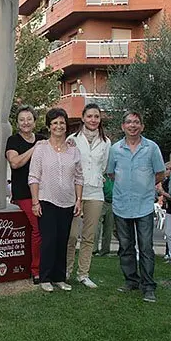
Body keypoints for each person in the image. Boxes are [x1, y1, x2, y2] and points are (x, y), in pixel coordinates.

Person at [106, 110, 165, 303]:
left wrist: (144, 186)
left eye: (136, 122)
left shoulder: (152, 148)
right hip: (122, 204)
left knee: (146, 247)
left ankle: (148, 287)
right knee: (125, 246)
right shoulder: (115, 149)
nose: (133, 125)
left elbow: (159, 173)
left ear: (142, 126)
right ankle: (131, 280)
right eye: (129, 122)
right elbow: (111, 174)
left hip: (144, 206)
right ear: (123, 126)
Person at [28, 108, 83, 293]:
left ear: (66, 126)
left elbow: (79, 178)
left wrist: (79, 200)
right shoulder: (41, 148)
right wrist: (35, 202)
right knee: (49, 240)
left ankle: (60, 277)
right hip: (46, 200)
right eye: (54, 123)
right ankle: (45, 277)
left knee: (63, 240)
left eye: (61, 122)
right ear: (49, 126)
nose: (58, 126)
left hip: (68, 201)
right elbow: (34, 177)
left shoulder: (74, 151)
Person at [65, 103, 110, 289]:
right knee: (71, 235)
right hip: (74, 192)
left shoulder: (106, 142)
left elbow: (104, 166)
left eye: (96, 117)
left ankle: (83, 274)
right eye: (89, 116)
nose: (93, 120)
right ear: (83, 118)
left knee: (89, 236)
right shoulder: (72, 140)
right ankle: (66, 270)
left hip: (95, 193)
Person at [5, 105, 46, 284]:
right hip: (24, 194)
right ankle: (36, 269)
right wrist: (35, 148)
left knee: (47, 230)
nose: (25, 123)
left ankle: (48, 266)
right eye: (22, 120)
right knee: (39, 228)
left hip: (45, 192)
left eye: (29, 119)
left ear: (35, 122)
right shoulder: (13, 141)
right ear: (17, 123)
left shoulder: (44, 139)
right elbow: (15, 163)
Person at [93, 175, 115, 257]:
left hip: (112, 203)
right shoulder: (102, 177)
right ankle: (94, 249)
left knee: (108, 228)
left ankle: (105, 250)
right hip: (102, 202)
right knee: (96, 227)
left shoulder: (115, 177)